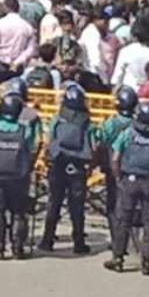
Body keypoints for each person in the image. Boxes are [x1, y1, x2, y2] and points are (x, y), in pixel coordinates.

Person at [106, 100, 149, 275]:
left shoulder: (128, 134)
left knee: (123, 219)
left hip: (129, 180)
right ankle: (147, 261)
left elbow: (115, 157)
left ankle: (118, 258)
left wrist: (118, 177)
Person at [0, 91, 37, 259]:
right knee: (19, 211)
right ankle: (18, 247)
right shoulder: (24, 130)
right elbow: (32, 149)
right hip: (19, 176)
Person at [39, 81, 95, 255]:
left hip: (57, 162)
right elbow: (92, 144)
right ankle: (79, 242)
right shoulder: (86, 121)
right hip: (78, 165)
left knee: (54, 202)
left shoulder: (58, 117)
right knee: (77, 206)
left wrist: (45, 157)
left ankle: (47, 240)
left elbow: (48, 140)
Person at [96, 86, 137, 220]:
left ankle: (116, 235)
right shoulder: (137, 124)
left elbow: (100, 143)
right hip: (133, 168)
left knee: (113, 202)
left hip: (112, 167)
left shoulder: (110, 123)